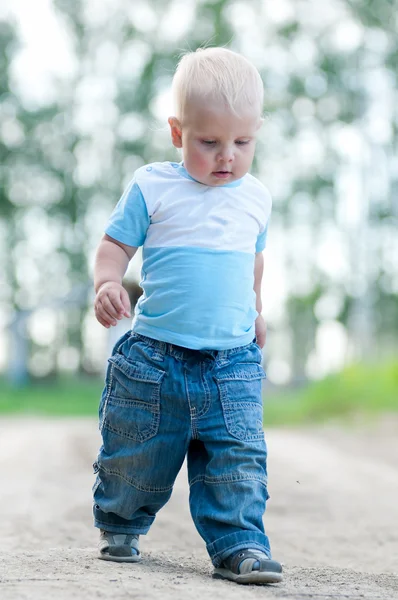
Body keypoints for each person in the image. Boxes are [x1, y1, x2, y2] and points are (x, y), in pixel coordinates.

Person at [92, 46, 283, 585]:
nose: (227, 156)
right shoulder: (154, 187)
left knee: (238, 460)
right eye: (209, 142)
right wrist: (108, 281)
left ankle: (240, 543)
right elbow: (114, 245)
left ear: (256, 133)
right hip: (156, 357)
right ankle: (121, 522)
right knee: (139, 451)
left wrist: (257, 310)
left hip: (232, 361)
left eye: (242, 142)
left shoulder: (256, 198)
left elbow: (253, 260)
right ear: (178, 133)